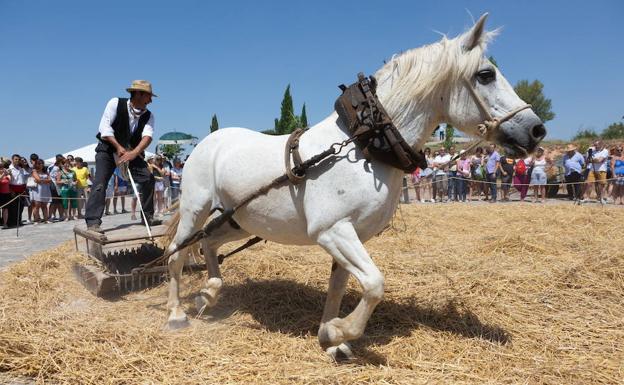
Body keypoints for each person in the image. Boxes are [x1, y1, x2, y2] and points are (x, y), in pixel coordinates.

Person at [84, 80, 159, 233]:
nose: (150, 100)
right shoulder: (115, 103)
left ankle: (147, 216)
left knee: (148, 178)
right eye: (148, 96)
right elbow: (104, 128)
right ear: (138, 94)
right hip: (107, 150)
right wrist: (118, 148)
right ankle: (93, 222)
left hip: (131, 153)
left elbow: (147, 137)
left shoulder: (149, 116)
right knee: (100, 182)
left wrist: (133, 153)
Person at [31, 159, 52, 223]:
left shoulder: (46, 171)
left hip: (45, 189)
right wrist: (45, 180)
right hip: (37, 190)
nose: (41, 165)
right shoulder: (34, 171)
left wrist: (42, 181)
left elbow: (50, 180)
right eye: (39, 163)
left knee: (44, 205)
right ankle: (36, 219)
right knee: (37, 205)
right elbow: (38, 179)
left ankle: (46, 219)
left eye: (42, 163)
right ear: (36, 164)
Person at [0, 160, 12, 229]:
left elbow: (11, 180)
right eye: (0, 168)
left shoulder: (6, 175)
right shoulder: (2, 175)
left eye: (3, 167)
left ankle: (5, 223)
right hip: (0, 194)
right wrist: (3, 174)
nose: (2, 169)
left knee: (5, 209)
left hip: (6, 194)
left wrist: (10, 174)